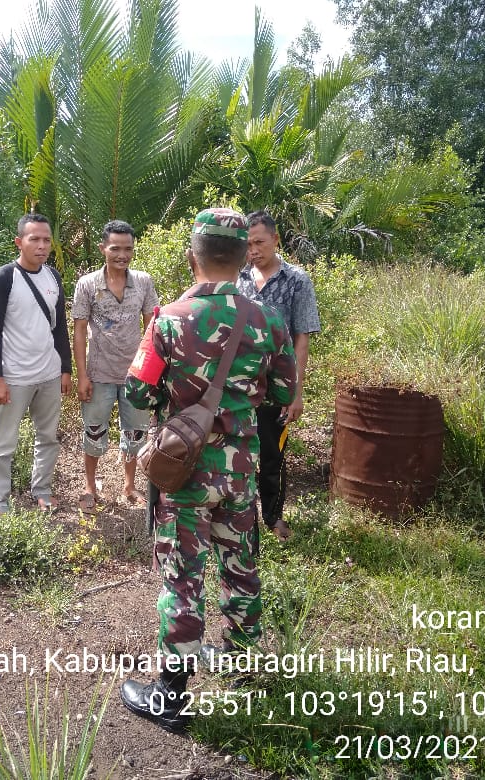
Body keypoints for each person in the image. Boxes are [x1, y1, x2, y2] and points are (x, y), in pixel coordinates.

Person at [119, 208, 297, 732]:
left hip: (185, 472)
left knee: (183, 575)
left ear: (192, 256)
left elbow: (135, 393)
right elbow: (283, 393)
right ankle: (244, 664)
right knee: (240, 565)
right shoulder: (268, 321)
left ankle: (171, 697)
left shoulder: (168, 320)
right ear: (244, 258)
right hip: (241, 470)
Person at [237, 210, 321, 542]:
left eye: (259, 243)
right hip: (240, 386)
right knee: (238, 453)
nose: (253, 250)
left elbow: (302, 339)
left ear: (275, 239)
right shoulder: (237, 277)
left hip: (276, 387)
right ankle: (240, 518)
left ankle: (273, 517)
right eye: (248, 245)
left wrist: (295, 392)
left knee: (273, 455)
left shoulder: (296, 280)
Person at [0, 213, 72, 513]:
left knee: (48, 437)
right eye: (34, 239)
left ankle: (42, 490)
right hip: (14, 376)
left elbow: (59, 328)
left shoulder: (53, 277)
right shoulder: (3, 279)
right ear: (19, 242)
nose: (42, 245)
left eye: (47, 239)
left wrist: (65, 368)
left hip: (49, 373)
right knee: (3, 443)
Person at [72, 220, 159, 511]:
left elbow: (152, 328)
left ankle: (129, 486)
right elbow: (80, 331)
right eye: (115, 248)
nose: (122, 255)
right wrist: (82, 376)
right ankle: (89, 486)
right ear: (103, 249)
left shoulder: (143, 282)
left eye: (128, 249)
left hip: (135, 374)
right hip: (99, 373)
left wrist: (151, 372)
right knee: (94, 430)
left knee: (135, 432)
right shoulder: (88, 284)